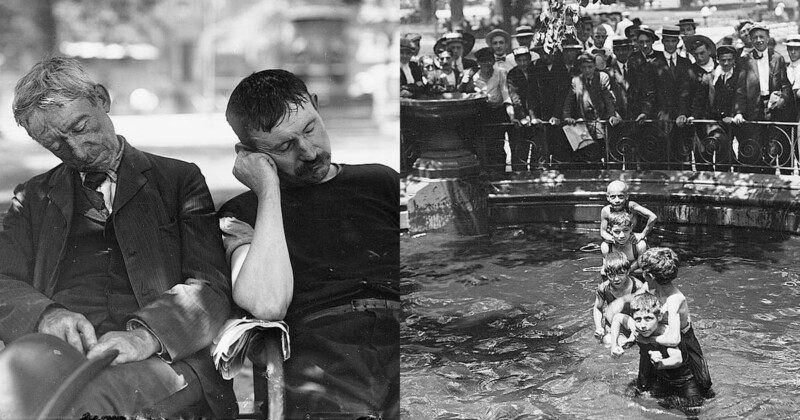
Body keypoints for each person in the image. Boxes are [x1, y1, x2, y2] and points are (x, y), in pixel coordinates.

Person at [0, 56, 235, 418]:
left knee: (83, 404)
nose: (78, 151)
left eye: (81, 127)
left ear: (101, 99)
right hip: (59, 358)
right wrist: (46, 315)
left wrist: (144, 337)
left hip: (163, 358)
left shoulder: (178, 182)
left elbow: (211, 288)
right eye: (57, 145)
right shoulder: (33, 197)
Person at [219, 69, 400, 418]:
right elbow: (268, 304)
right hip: (325, 351)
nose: (309, 152)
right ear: (250, 154)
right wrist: (268, 189)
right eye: (285, 146)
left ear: (316, 106)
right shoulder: (242, 211)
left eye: (310, 128)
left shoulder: (380, 180)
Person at [633, 248, 714, 400]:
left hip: (684, 342)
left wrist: (648, 340)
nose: (642, 274)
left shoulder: (674, 299)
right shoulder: (649, 288)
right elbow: (635, 308)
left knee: (702, 386)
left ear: (650, 276)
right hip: (656, 338)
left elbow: (674, 339)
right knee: (643, 386)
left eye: (644, 272)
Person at [610, 293, 707, 416]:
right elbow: (617, 318)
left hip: (683, 379)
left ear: (659, 316)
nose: (643, 325)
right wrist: (614, 345)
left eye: (648, 318)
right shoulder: (635, 327)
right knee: (636, 397)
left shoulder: (665, 334)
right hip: (658, 374)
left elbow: (677, 358)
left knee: (693, 411)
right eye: (638, 319)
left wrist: (661, 362)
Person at [732, 23, 792, 173]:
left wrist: (781, 100)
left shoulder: (777, 58)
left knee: (771, 148)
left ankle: (770, 183)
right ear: (751, 40)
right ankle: (756, 182)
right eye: (755, 38)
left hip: (773, 108)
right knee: (754, 147)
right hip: (753, 108)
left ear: (768, 38)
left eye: (762, 37)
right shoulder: (745, 60)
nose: (759, 40)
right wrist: (739, 111)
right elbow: (740, 89)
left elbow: (785, 84)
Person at [461, 47, 516, 172]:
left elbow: (505, 93)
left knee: (498, 146)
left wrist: (511, 115)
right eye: (483, 61)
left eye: (490, 61)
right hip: (482, 114)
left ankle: (500, 175)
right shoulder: (474, 77)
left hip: (498, 112)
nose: (487, 64)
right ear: (478, 63)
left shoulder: (501, 72)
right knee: (483, 147)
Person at [562, 52, 621, 163]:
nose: (587, 70)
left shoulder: (602, 77)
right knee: (588, 155)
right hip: (585, 124)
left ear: (595, 66)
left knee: (604, 151)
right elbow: (569, 101)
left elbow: (607, 98)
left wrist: (612, 115)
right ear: (580, 68)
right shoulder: (576, 80)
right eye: (584, 68)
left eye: (590, 67)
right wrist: (567, 116)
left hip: (600, 121)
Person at [688, 44, 738, 172]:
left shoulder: (737, 77)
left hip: (728, 121)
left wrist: (732, 115)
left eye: (729, 60)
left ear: (734, 60)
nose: (726, 63)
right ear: (718, 60)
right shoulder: (709, 76)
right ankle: (705, 182)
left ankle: (725, 181)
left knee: (724, 154)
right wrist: (694, 115)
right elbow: (699, 100)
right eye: (723, 60)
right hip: (709, 121)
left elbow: (739, 97)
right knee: (705, 152)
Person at [592, 252, 646, 346]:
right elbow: (598, 308)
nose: (616, 279)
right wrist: (599, 327)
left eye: (621, 274)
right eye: (611, 275)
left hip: (632, 323)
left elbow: (644, 312)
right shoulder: (603, 288)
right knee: (607, 342)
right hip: (613, 322)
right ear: (606, 273)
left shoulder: (637, 287)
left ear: (628, 271)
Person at [600, 180, 657, 244]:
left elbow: (653, 217)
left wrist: (642, 234)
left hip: (633, 239)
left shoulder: (631, 206)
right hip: (617, 239)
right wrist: (612, 239)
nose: (617, 200)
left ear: (627, 196)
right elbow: (603, 232)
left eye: (620, 196)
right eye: (613, 197)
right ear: (607, 197)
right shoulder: (606, 211)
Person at [507, 46, 535, 171]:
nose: (523, 63)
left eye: (525, 60)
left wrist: (533, 116)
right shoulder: (513, 74)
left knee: (537, 151)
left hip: (535, 117)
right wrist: (522, 117)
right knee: (519, 151)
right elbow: (514, 96)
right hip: (521, 118)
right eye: (520, 60)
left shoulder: (535, 71)